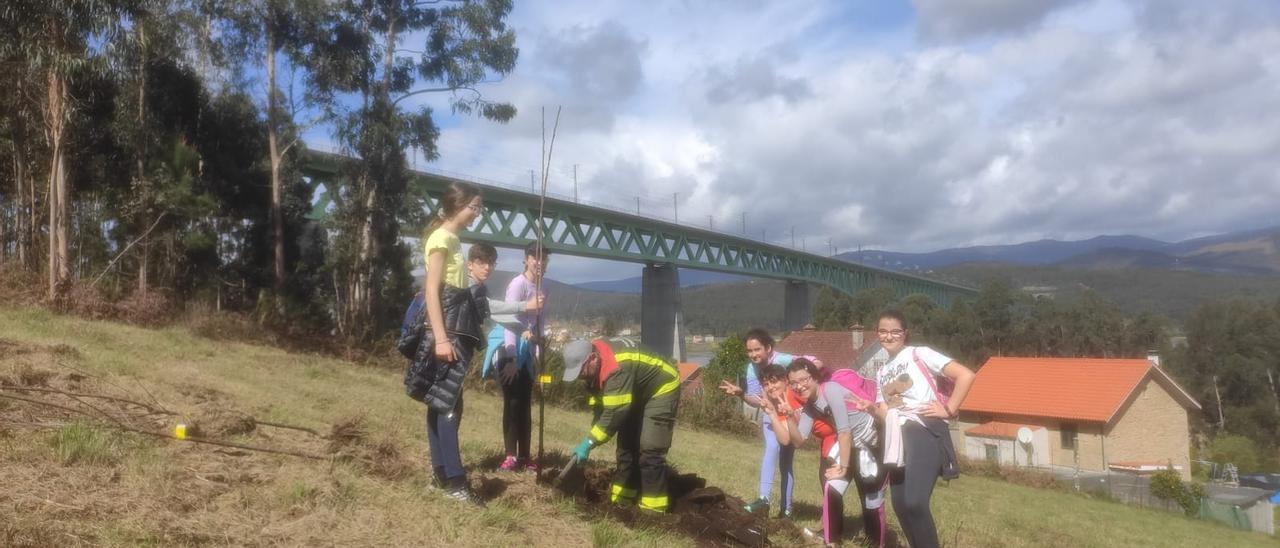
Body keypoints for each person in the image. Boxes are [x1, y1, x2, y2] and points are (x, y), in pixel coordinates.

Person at [404, 181, 486, 507]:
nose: (477, 213)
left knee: (441, 403)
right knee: (449, 406)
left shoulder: (452, 239)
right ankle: (456, 484)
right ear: (457, 204)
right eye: (474, 207)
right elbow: (432, 291)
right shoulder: (441, 239)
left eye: (479, 208)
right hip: (446, 334)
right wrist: (440, 338)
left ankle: (441, 477)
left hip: (453, 332)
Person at [865, 310, 976, 548]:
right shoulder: (882, 372)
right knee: (900, 505)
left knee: (915, 502)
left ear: (905, 334)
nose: (889, 336)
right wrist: (871, 409)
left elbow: (966, 375)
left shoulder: (919, 354)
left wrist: (949, 409)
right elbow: (886, 413)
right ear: (877, 334)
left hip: (923, 429)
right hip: (897, 438)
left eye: (895, 331)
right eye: (883, 331)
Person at [561, 337, 680, 513]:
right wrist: (594, 432)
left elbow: (614, 413)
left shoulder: (616, 367)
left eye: (581, 371)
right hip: (634, 391)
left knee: (650, 449)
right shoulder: (595, 367)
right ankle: (621, 501)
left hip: (661, 388)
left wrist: (589, 442)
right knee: (626, 447)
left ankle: (653, 511)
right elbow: (601, 406)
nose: (581, 377)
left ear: (593, 357)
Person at [779, 358, 884, 547]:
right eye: (793, 383)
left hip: (872, 442)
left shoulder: (831, 389)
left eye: (804, 379)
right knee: (832, 488)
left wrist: (843, 467)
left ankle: (876, 541)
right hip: (852, 444)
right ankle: (832, 540)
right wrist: (788, 418)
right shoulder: (810, 406)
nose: (799, 386)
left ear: (814, 377)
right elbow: (799, 440)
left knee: (870, 495)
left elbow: (844, 431)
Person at [717, 328, 795, 517]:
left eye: (757, 349)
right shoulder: (752, 369)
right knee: (771, 448)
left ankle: (786, 509)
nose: (753, 354)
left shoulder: (783, 360)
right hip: (770, 414)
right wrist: (741, 394)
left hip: (790, 415)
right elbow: (756, 400)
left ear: (768, 348)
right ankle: (764, 499)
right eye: (750, 351)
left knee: (786, 463)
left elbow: (811, 363)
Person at [492, 241, 550, 472]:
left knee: (525, 405)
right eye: (535, 257)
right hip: (511, 348)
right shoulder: (518, 284)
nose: (540, 262)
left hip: (528, 352)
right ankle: (510, 455)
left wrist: (538, 354)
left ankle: (525, 456)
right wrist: (512, 358)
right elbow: (509, 322)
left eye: (544, 258)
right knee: (512, 403)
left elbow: (540, 323)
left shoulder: (543, 286)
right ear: (526, 259)